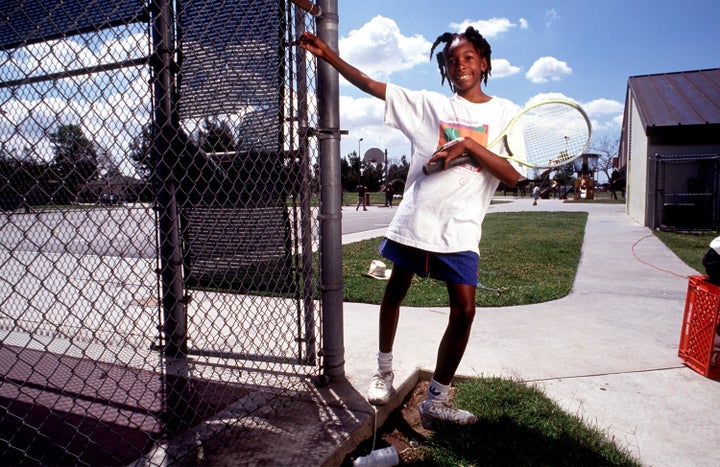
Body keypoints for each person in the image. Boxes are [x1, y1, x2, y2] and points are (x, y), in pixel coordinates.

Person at [299, 26, 525, 429]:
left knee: (466, 310)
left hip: (460, 230)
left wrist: (470, 145)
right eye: (452, 60)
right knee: (395, 291)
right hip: (417, 219)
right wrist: (328, 56)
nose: (461, 65)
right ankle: (383, 371)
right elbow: (371, 84)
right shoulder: (430, 105)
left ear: (484, 62)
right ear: (446, 69)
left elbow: (512, 175)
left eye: (469, 57)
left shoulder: (507, 114)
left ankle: (436, 399)